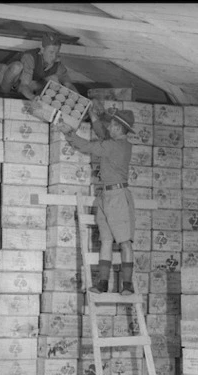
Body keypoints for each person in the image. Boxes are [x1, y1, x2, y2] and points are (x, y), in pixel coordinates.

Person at [55, 105, 137, 295]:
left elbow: (87, 146)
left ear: (118, 128)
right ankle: (103, 283)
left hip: (118, 197)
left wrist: (69, 133)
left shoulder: (115, 146)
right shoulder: (115, 143)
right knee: (106, 240)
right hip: (106, 196)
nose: (109, 127)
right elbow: (102, 134)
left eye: (112, 125)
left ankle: (127, 284)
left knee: (124, 242)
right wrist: (94, 117)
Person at [0, 33, 77, 101]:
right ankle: (4, 93)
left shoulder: (57, 63)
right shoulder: (30, 57)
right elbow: (24, 85)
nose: (54, 56)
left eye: (56, 53)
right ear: (42, 50)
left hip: (28, 84)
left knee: (54, 80)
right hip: (11, 79)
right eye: (51, 52)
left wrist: (79, 99)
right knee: (17, 67)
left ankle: (42, 100)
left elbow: (68, 84)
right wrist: (33, 97)